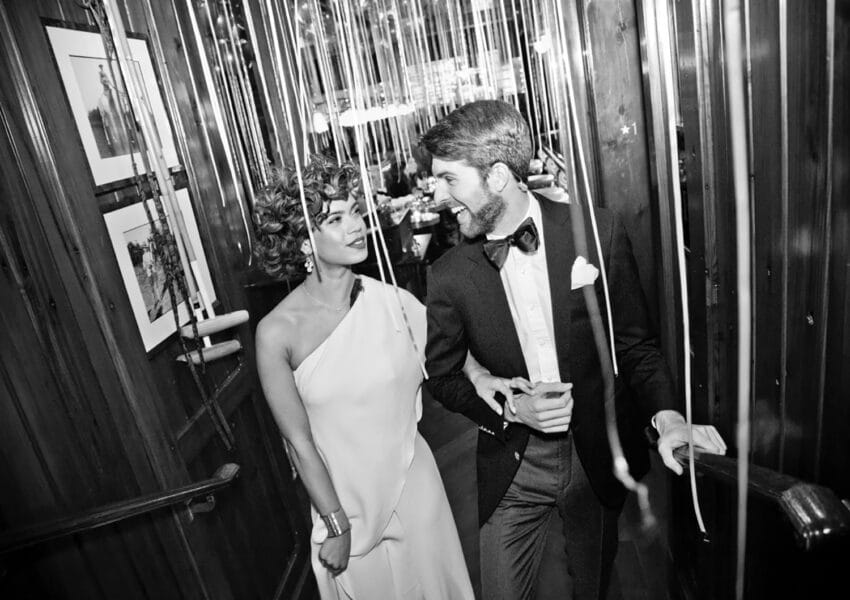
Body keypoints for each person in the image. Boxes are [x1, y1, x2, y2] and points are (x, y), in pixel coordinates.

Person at [421, 100, 727, 600]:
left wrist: (670, 418)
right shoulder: (449, 274)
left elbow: (637, 346)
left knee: (593, 588)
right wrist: (514, 408)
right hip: (513, 461)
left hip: (595, 457)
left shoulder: (598, 232)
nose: (438, 195)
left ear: (497, 175)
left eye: (449, 179)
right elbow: (443, 377)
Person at [252, 156, 474, 600]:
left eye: (356, 211)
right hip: (344, 509)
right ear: (302, 242)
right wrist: (334, 522)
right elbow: (299, 443)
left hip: (415, 487)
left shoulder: (394, 301)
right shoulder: (276, 333)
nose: (356, 225)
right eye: (336, 218)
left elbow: (459, 363)